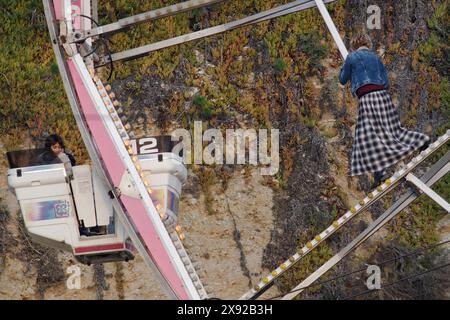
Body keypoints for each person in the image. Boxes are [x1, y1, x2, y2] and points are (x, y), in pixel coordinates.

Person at [339, 33, 430, 190]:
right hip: (382, 95)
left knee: (368, 137)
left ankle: (379, 173)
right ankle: (422, 140)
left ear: (354, 45)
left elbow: (342, 79)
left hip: (367, 98)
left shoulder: (352, 57)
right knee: (393, 129)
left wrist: (345, 66)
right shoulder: (375, 58)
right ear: (368, 44)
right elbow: (386, 82)